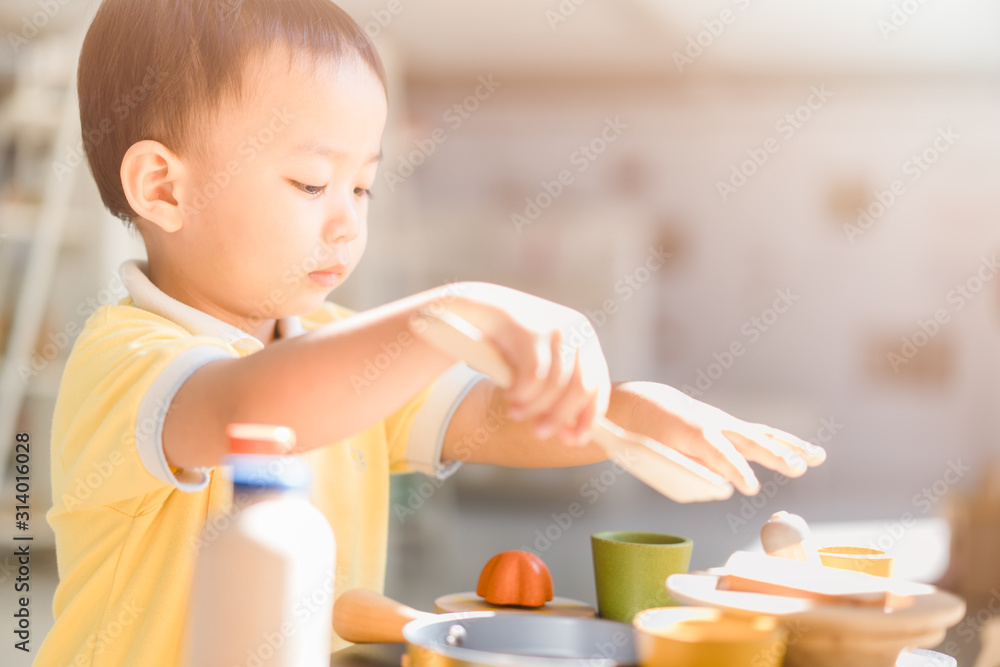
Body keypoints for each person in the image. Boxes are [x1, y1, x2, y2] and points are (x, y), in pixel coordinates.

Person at [37, 0, 825, 664]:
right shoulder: (125, 360)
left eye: (363, 184)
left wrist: (625, 412)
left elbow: (486, 416)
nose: (347, 220)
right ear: (163, 187)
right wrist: (450, 310)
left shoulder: (339, 345)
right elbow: (251, 407)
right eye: (312, 182)